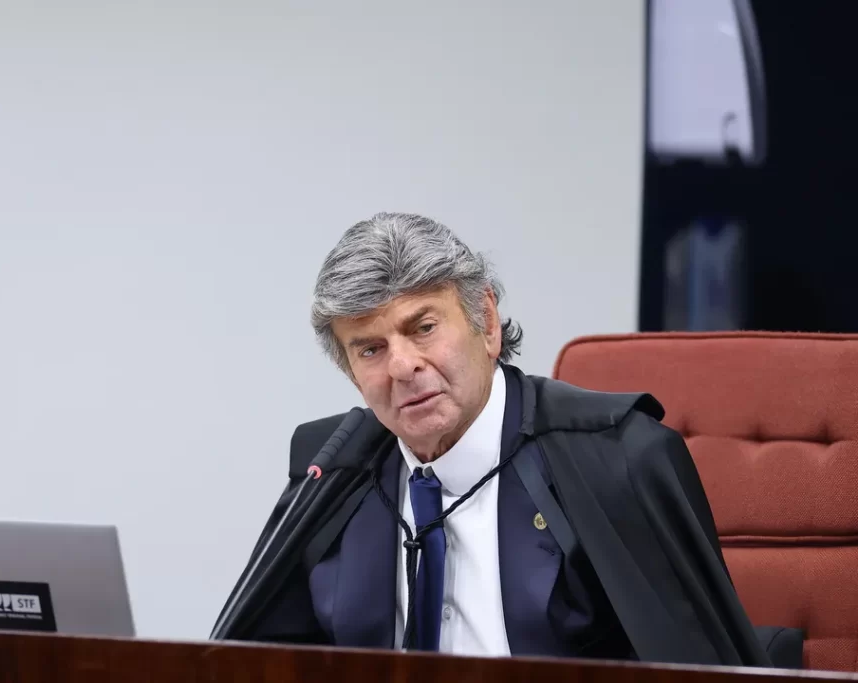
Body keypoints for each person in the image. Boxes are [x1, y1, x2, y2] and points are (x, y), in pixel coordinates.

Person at [212, 212, 773, 666]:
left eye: (423, 328)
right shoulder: (333, 473)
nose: (403, 366)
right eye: (370, 349)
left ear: (486, 321)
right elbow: (258, 659)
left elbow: (699, 663)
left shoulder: (619, 456)